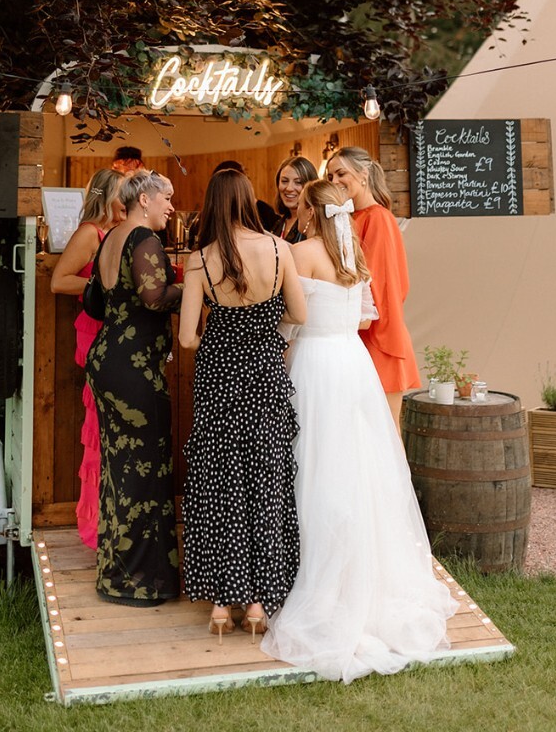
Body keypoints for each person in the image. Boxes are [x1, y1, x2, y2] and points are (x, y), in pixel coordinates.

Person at [261, 179, 458, 682]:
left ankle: (311, 577)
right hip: (353, 364)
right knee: (359, 467)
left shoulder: (297, 253)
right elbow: (366, 315)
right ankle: (364, 574)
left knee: (314, 464)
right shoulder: (356, 260)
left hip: (316, 364)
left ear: (308, 212)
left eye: (303, 206)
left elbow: (289, 322)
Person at [178, 168, 306, 642]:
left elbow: (188, 338)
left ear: (212, 204)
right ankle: (258, 602)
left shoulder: (201, 260)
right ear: (250, 200)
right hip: (263, 373)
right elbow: (301, 313)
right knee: (266, 478)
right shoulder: (278, 249)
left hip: (219, 378)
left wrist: (219, 314)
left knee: (221, 481)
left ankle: (219, 605)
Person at [85, 169, 182, 605]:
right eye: (167, 197)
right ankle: (144, 580)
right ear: (144, 198)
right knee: (145, 469)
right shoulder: (144, 239)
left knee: (119, 468)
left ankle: (116, 574)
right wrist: (195, 285)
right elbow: (154, 297)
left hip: (108, 361)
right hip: (134, 370)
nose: (171, 206)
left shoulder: (110, 237)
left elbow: (92, 301)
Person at [50, 168, 125, 550]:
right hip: (94, 333)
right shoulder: (89, 233)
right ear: (108, 197)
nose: (127, 204)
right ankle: (95, 525)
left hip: (109, 333)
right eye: (122, 196)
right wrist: (104, 288)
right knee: (98, 428)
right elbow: (59, 280)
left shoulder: (112, 234)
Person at [326, 145, 420, 432]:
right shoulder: (353, 218)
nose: (335, 181)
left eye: (341, 173)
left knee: (385, 434)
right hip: (362, 338)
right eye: (330, 176)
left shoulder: (378, 218)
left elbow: (377, 285)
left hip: (379, 338)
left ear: (363, 174)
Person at [272, 156, 319, 244]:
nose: (289, 188)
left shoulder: (316, 224)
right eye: (284, 181)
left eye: (298, 182)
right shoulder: (278, 223)